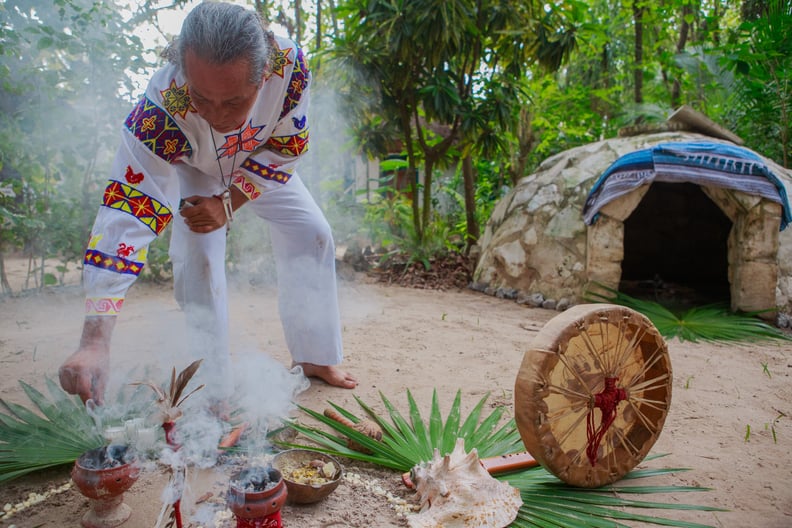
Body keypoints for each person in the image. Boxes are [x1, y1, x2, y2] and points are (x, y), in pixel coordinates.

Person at [58, 1, 357, 406]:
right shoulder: (158, 109)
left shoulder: (290, 67)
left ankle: (315, 358)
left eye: (234, 102)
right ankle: (212, 385)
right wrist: (94, 340)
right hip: (192, 170)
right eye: (201, 98)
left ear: (263, 75)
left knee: (313, 233)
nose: (217, 116)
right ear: (183, 73)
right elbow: (126, 212)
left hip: (257, 162)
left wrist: (229, 202)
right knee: (199, 254)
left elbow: (288, 146)